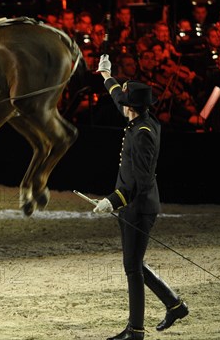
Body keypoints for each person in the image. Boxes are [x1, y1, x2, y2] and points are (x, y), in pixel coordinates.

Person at [91, 54, 189, 340]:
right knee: (135, 263)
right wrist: (106, 75)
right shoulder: (141, 120)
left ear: (130, 108)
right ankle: (174, 305)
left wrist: (114, 199)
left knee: (132, 268)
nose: (119, 105)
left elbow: (141, 180)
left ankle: (135, 330)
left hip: (139, 206)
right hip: (131, 206)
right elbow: (116, 97)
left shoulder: (143, 133)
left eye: (123, 102)